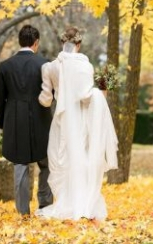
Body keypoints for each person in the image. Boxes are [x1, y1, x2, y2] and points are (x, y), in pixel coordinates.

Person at [36, 27, 118, 220]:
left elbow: (45, 100)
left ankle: (67, 202)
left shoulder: (49, 68)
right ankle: (82, 203)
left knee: (63, 161)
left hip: (61, 122)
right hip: (80, 122)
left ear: (62, 43)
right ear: (78, 44)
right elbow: (86, 98)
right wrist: (102, 92)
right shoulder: (85, 66)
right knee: (81, 160)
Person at [0, 25, 53, 216]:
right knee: (46, 163)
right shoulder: (44, 64)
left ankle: (23, 212)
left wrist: (4, 124)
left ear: (20, 41)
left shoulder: (5, 66)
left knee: (20, 165)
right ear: (36, 43)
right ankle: (45, 205)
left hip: (15, 122)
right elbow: (50, 94)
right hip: (41, 120)